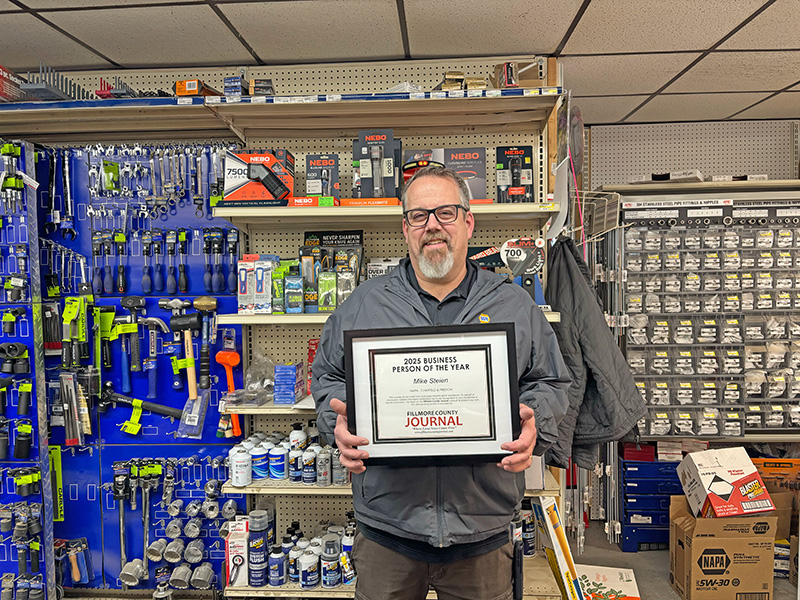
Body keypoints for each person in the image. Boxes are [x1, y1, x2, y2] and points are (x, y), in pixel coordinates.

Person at [311, 166, 570, 600]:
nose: (432, 225)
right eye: (419, 216)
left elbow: (552, 383)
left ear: (468, 222)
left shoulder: (513, 304)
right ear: (406, 229)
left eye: (445, 213)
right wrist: (337, 421)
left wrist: (534, 424)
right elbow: (328, 381)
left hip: (482, 532)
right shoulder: (363, 305)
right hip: (387, 533)